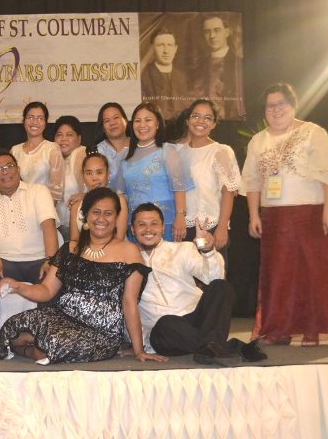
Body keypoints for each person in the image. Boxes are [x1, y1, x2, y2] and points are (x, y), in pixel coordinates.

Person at [0, 188, 165, 365]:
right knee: (13, 325)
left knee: (56, 344)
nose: (101, 219)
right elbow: (46, 291)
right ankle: (27, 347)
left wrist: (138, 350)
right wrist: (17, 286)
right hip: (62, 319)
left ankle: (30, 349)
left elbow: (129, 302)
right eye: (96, 212)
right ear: (86, 216)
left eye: (108, 213)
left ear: (116, 217)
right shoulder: (70, 248)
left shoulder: (129, 251)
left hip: (102, 332)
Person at [241, 82, 328, 345]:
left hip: (310, 215)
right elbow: (252, 181)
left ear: (293, 105)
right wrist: (254, 215)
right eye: (270, 105)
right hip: (274, 218)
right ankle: (278, 329)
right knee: (278, 275)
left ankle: (311, 330)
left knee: (311, 274)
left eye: (282, 103)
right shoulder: (258, 141)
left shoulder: (312, 133)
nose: (276, 109)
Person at [131, 203, 265, 364]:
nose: (148, 229)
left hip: (198, 320)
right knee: (167, 323)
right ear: (133, 230)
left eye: (154, 224)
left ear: (162, 228)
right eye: (141, 224)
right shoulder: (128, 261)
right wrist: (133, 344)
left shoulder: (182, 249)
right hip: (165, 332)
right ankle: (230, 347)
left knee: (221, 287)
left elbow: (213, 277)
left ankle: (211, 349)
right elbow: (125, 306)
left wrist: (208, 251)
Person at [0, 151, 59, 340]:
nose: (5, 172)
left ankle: (47, 341)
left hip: (39, 260)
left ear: (18, 169)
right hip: (5, 263)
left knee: (54, 275)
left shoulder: (38, 192)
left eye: (9, 166)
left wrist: (51, 260)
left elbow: (49, 227)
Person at [114, 102, 192, 241]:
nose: (142, 125)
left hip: (164, 223)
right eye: (137, 121)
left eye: (148, 120)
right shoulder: (124, 156)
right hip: (136, 225)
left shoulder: (168, 150)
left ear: (157, 124)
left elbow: (179, 188)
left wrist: (180, 216)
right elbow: (120, 195)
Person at [181, 99, 240, 265]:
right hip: (183, 229)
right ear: (187, 120)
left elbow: (228, 191)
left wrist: (222, 227)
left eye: (207, 118)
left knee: (212, 275)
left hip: (210, 227)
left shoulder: (221, 151)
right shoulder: (179, 152)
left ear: (214, 124)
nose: (201, 121)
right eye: (196, 116)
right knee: (187, 277)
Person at [10, 101, 64, 202]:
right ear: (23, 121)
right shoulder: (15, 151)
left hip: (44, 206)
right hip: (20, 205)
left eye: (40, 118)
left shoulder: (52, 148)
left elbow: (56, 188)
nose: (35, 122)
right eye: (30, 117)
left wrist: (48, 209)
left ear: (45, 123)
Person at [69, 153, 128, 242]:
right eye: (89, 173)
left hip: (115, 250)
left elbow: (119, 238)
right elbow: (74, 241)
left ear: (108, 174)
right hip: (84, 250)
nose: (94, 178)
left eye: (99, 172)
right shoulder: (76, 205)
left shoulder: (119, 200)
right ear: (83, 176)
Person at [199, 15, 245, 119]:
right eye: (207, 32)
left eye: (217, 30)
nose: (212, 36)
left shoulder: (240, 63)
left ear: (226, 32)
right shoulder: (200, 66)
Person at [141, 28, 190, 120]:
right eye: (160, 45)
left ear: (175, 48)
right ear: (153, 48)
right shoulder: (144, 76)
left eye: (170, 45)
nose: (166, 51)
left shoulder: (182, 77)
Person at [53, 115, 87, 240]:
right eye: (59, 135)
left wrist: (84, 195)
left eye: (69, 135)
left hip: (80, 227)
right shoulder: (54, 159)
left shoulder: (81, 154)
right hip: (59, 228)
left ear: (79, 138)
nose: (63, 139)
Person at [95, 102, 130, 181]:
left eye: (116, 117)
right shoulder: (98, 152)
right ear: (103, 128)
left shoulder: (139, 146)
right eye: (107, 121)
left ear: (125, 120)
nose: (112, 123)